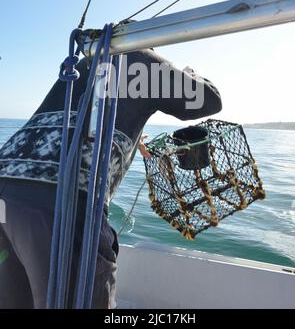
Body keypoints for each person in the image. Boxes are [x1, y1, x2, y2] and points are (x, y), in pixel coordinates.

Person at [0, 47, 222, 309]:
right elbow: (208, 100)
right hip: (59, 202)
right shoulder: (141, 59)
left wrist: (133, 139)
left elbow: (75, 123)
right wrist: (188, 74)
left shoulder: (87, 63)